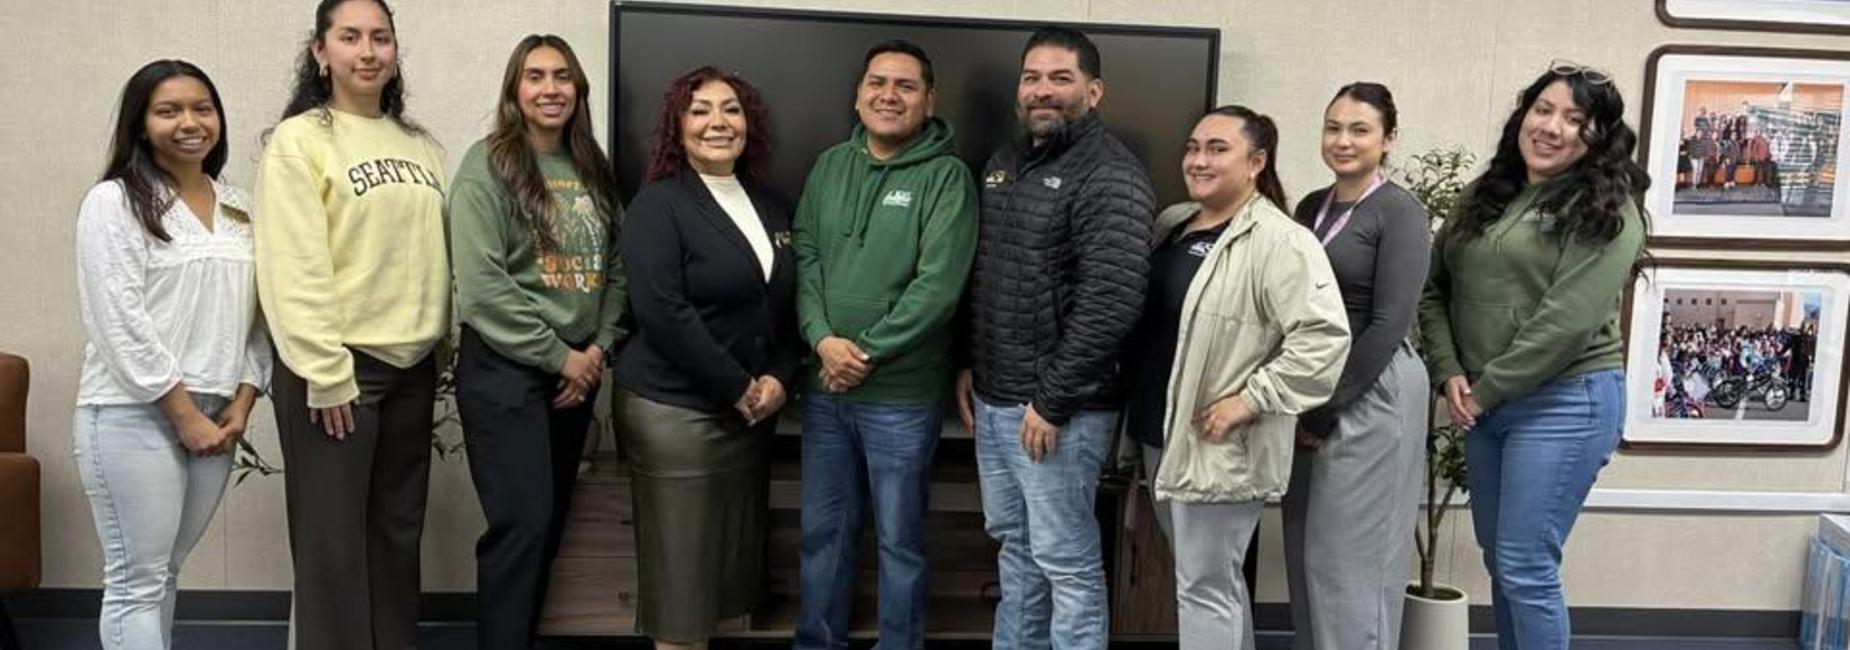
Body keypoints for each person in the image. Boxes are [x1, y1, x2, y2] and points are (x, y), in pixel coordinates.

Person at [1419, 60, 1649, 650]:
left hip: (1566, 401)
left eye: (1575, 119)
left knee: (1526, 566)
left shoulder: (1610, 210)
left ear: (1598, 137)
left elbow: (1565, 324)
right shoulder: (1485, 194)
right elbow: (1432, 288)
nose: (1551, 127)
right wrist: (1448, 372)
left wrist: (1484, 389)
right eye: (1542, 110)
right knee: (1502, 561)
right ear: (1522, 115)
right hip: (1486, 405)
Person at [251, 1, 449, 647]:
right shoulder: (301, 140)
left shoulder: (420, 144)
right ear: (320, 51)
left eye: (380, 38)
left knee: (396, 540)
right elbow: (293, 265)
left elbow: (430, 257)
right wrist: (325, 372)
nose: (368, 51)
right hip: (337, 373)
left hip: (412, 370)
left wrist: (438, 350)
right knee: (333, 551)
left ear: (395, 50)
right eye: (350, 37)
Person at [955, 26, 1155, 650]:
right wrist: (970, 363)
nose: (1043, 90)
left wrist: (1052, 401)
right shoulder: (1006, 162)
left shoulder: (1112, 176)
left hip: (1056, 415)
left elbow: (1112, 303)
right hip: (994, 400)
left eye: (1060, 78)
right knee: (1018, 553)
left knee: (1066, 565)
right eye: (1032, 77)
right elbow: (989, 273)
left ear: (1093, 91)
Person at [1131, 105, 1349, 650]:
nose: (1198, 159)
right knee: (1208, 583)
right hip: (1163, 435)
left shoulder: (1281, 241)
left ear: (1256, 162)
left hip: (1222, 441)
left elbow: (1323, 339)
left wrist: (1251, 399)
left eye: (1217, 149)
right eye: (1193, 147)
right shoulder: (1173, 224)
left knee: (1205, 588)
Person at [73, 59, 269, 650]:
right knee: (136, 581)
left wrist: (243, 399)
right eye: (169, 110)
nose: (190, 122)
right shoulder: (114, 202)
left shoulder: (238, 205)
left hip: (218, 414)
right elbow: (118, 318)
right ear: (140, 124)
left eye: (202, 108)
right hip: (135, 412)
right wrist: (182, 413)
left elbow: (260, 313)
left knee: (164, 574)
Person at [792, 40, 977, 650]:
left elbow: (938, 288)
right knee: (824, 532)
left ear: (929, 100)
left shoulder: (947, 177)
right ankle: (819, 641)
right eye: (877, 82)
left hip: (900, 397)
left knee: (900, 540)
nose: (887, 95)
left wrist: (862, 352)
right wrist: (823, 343)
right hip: (825, 388)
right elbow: (808, 260)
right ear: (858, 93)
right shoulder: (827, 166)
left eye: (904, 86)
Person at [449, 34, 628, 650]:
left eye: (562, 76)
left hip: (576, 372)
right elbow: (480, 286)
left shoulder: (592, 169)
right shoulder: (488, 163)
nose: (550, 89)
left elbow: (617, 268)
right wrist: (564, 358)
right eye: (535, 77)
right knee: (520, 525)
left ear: (579, 89)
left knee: (547, 525)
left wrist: (597, 349)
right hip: (506, 371)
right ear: (514, 90)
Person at [612, 65, 800, 650]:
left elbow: (786, 310)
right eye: (700, 110)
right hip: (676, 414)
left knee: (718, 588)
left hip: (747, 417)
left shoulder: (771, 206)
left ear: (750, 124)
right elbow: (663, 312)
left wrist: (779, 379)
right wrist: (739, 388)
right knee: (682, 599)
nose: (718, 122)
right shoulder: (658, 205)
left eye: (731, 109)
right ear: (678, 126)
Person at [1282, 82, 1431, 650]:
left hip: (1372, 386)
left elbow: (1390, 324)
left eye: (1359, 129)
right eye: (1333, 127)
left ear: (1388, 139)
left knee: (1352, 560)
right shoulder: (1310, 207)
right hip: (1312, 386)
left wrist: (1323, 412)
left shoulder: (1399, 211)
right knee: (1307, 549)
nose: (1343, 140)